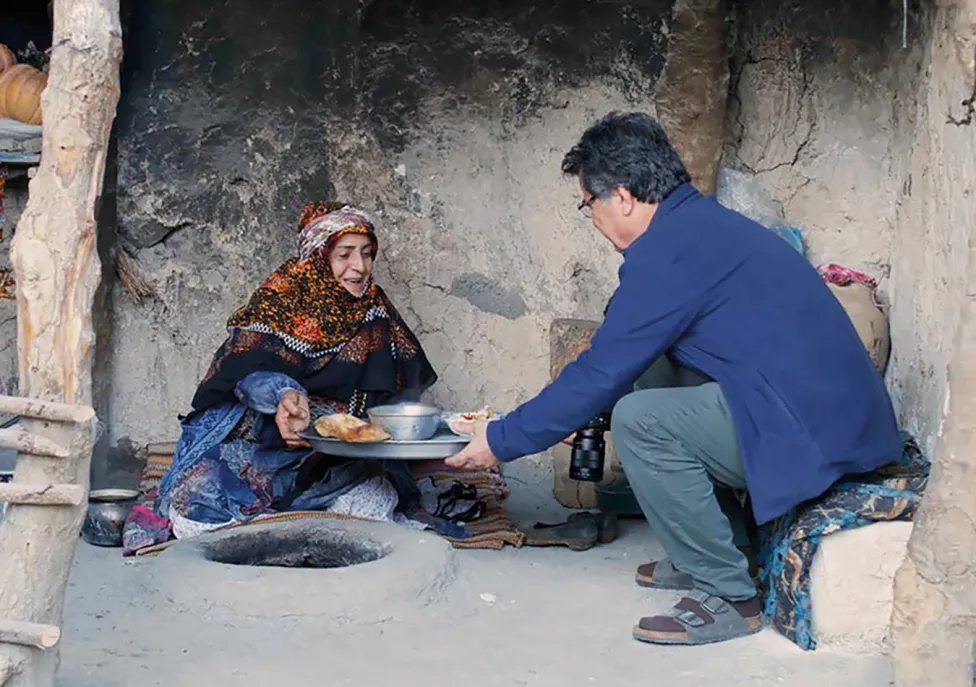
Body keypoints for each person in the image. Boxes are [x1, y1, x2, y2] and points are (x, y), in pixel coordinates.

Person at [445, 112, 902, 646]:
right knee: (652, 376)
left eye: (587, 204)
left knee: (642, 420)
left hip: (812, 430)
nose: (591, 219)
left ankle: (728, 592)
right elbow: (624, 357)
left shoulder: (672, 252)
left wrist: (500, 441)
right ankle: (725, 548)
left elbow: (601, 367)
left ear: (621, 197)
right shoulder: (698, 228)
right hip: (821, 414)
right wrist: (570, 415)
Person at [123, 201, 451, 552]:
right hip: (261, 444)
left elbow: (395, 398)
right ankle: (285, 522)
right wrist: (284, 395)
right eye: (345, 254)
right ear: (318, 256)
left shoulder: (374, 309)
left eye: (367, 253)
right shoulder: (280, 298)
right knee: (195, 502)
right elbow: (246, 370)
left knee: (373, 500)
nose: (359, 267)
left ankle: (279, 524)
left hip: (334, 456)